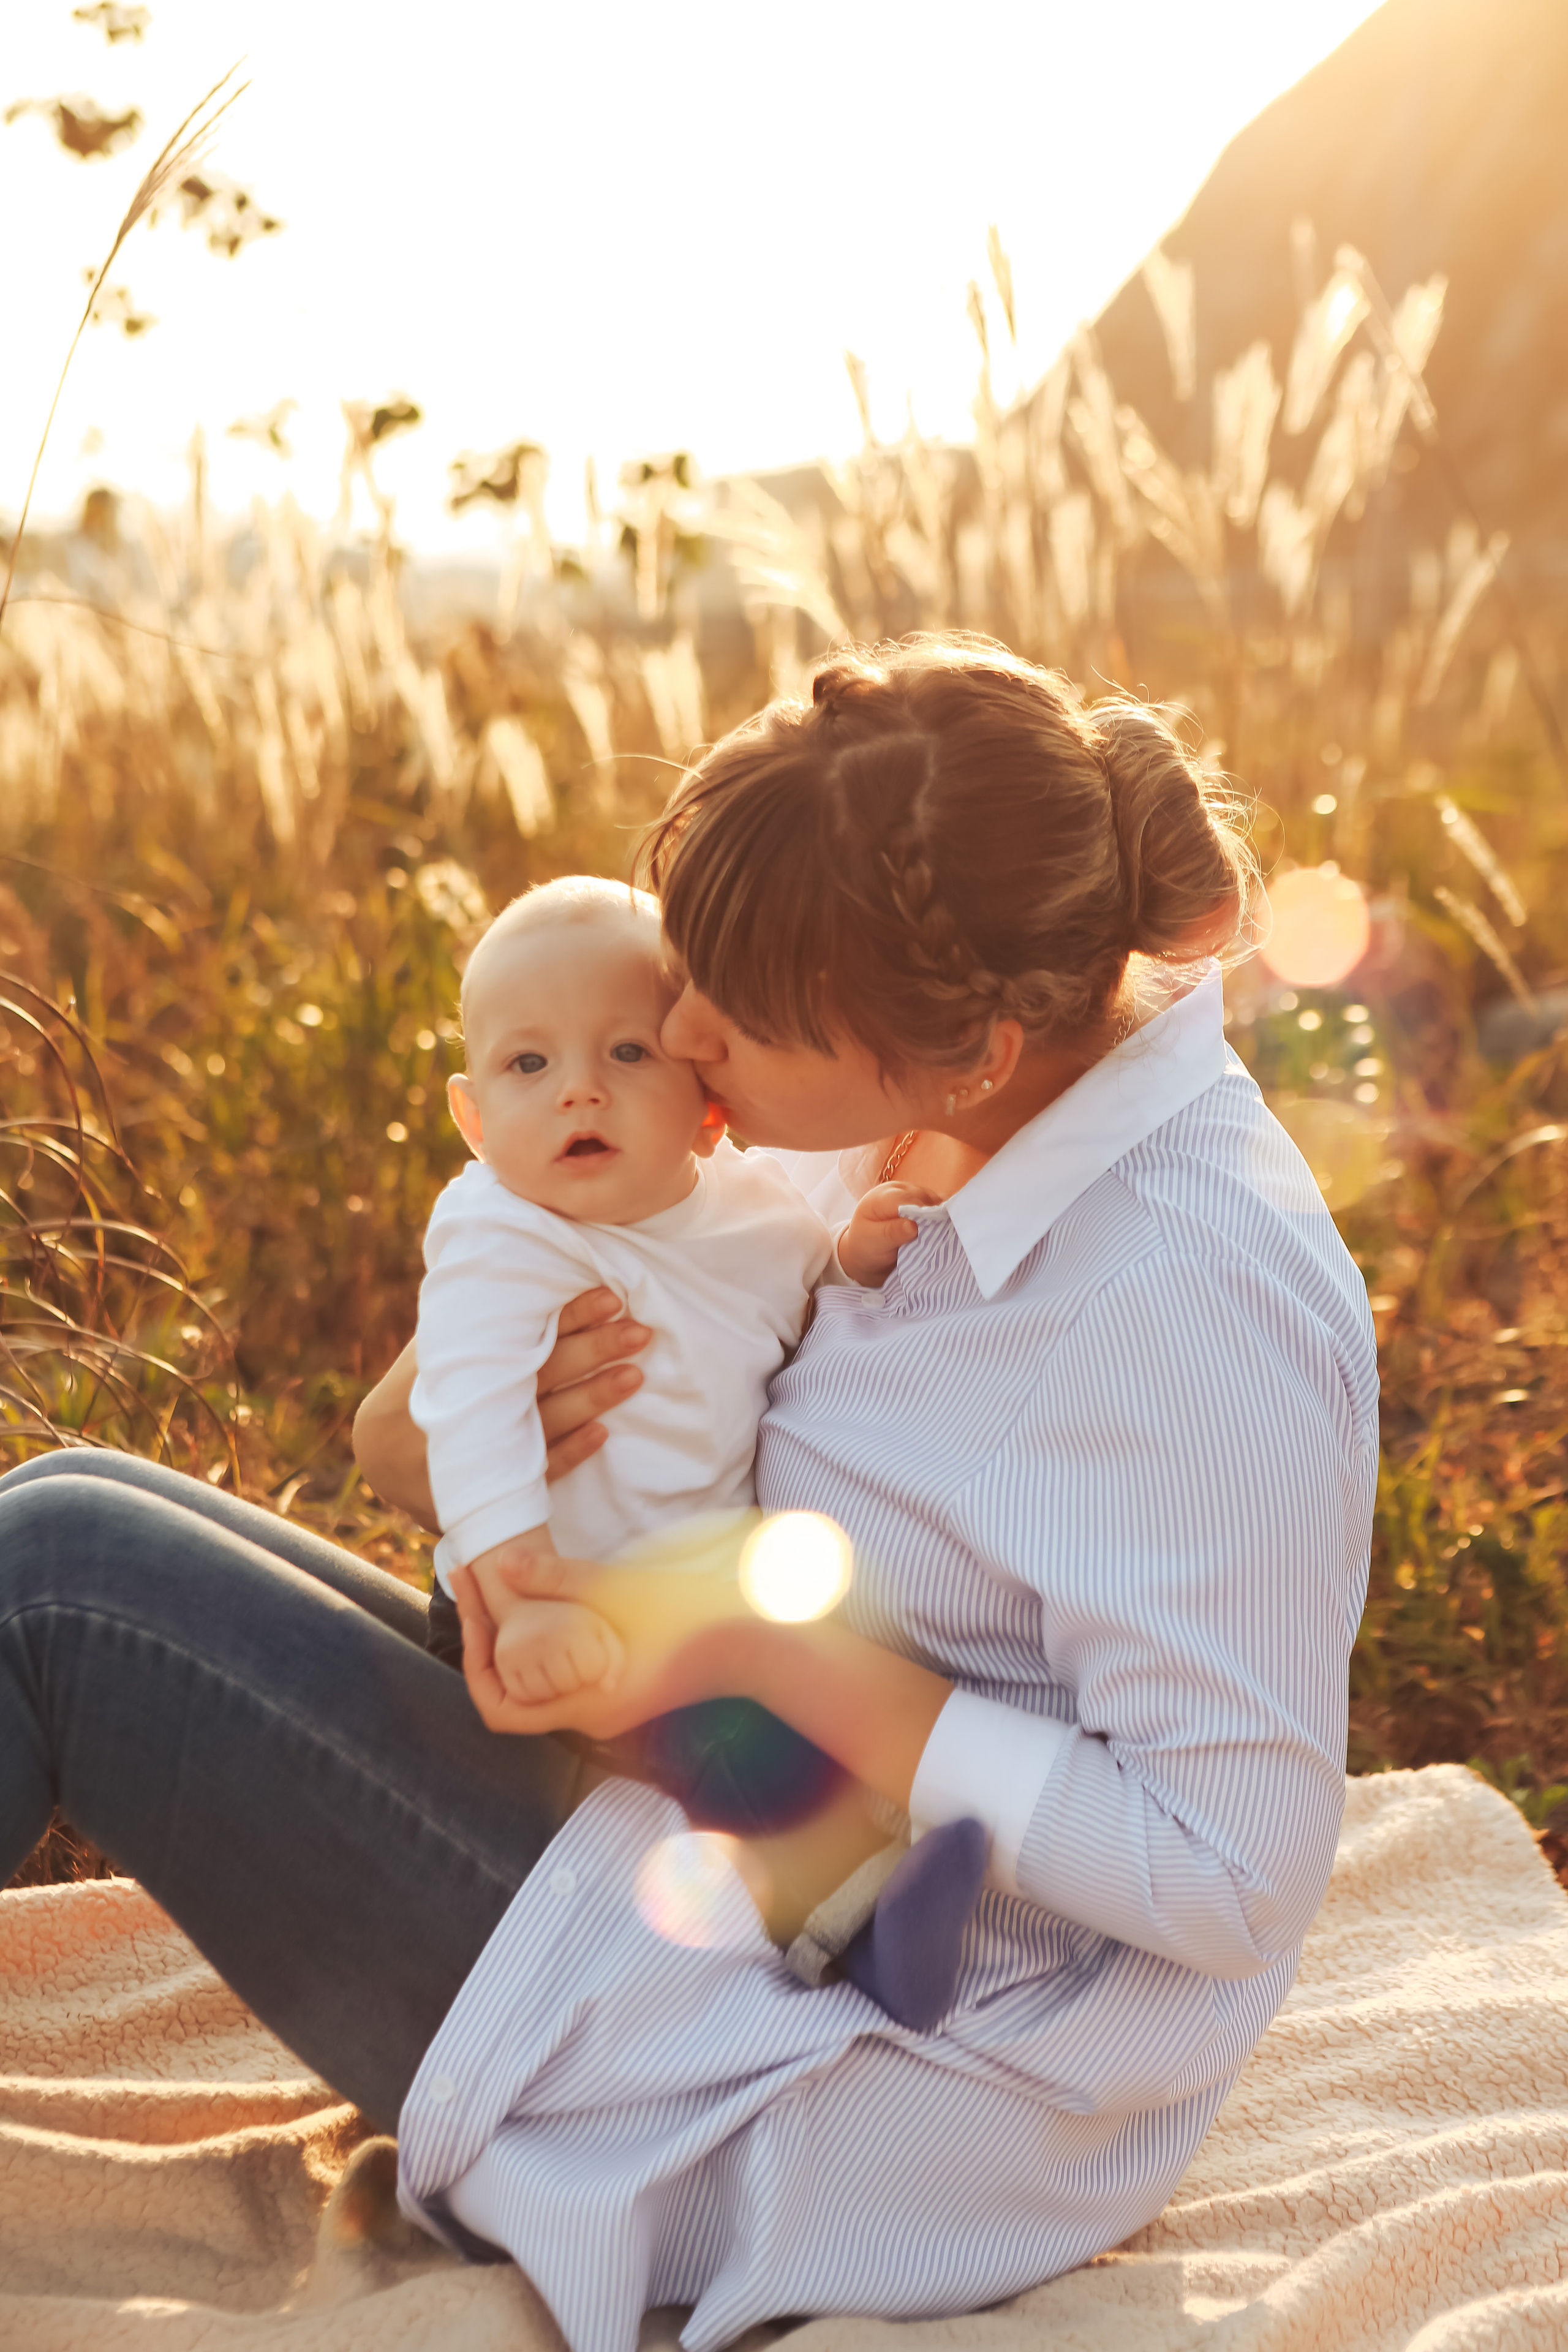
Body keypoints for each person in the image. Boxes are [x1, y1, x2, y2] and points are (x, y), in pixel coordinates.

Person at [0, 635, 1376, 2352]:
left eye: (735, 1011)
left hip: (834, 2036)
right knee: (76, 1497)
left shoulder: (1184, 1302)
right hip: (670, 1786)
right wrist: (436, 1448)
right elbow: (447, 1405)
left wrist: (770, 1659)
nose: (679, 1029)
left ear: (964, 1049)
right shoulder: (907, 1081)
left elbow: (1235, 1875)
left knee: (59, 1581)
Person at [410, 867, 986, 2019]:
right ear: (472, 1120)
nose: (579, 1090)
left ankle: (863, 1847)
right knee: (726, 1738)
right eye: (529, 1065)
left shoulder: (755, 1212)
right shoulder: (501, 1232)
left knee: (785, 1673)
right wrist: (520, 1588)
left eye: (627, 1053)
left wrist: (853, 1256)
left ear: (708, 1106)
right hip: (546, 1592)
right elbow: (466, 1407)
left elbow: (804, 1284)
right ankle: (854, 1923)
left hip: (696, 1574)